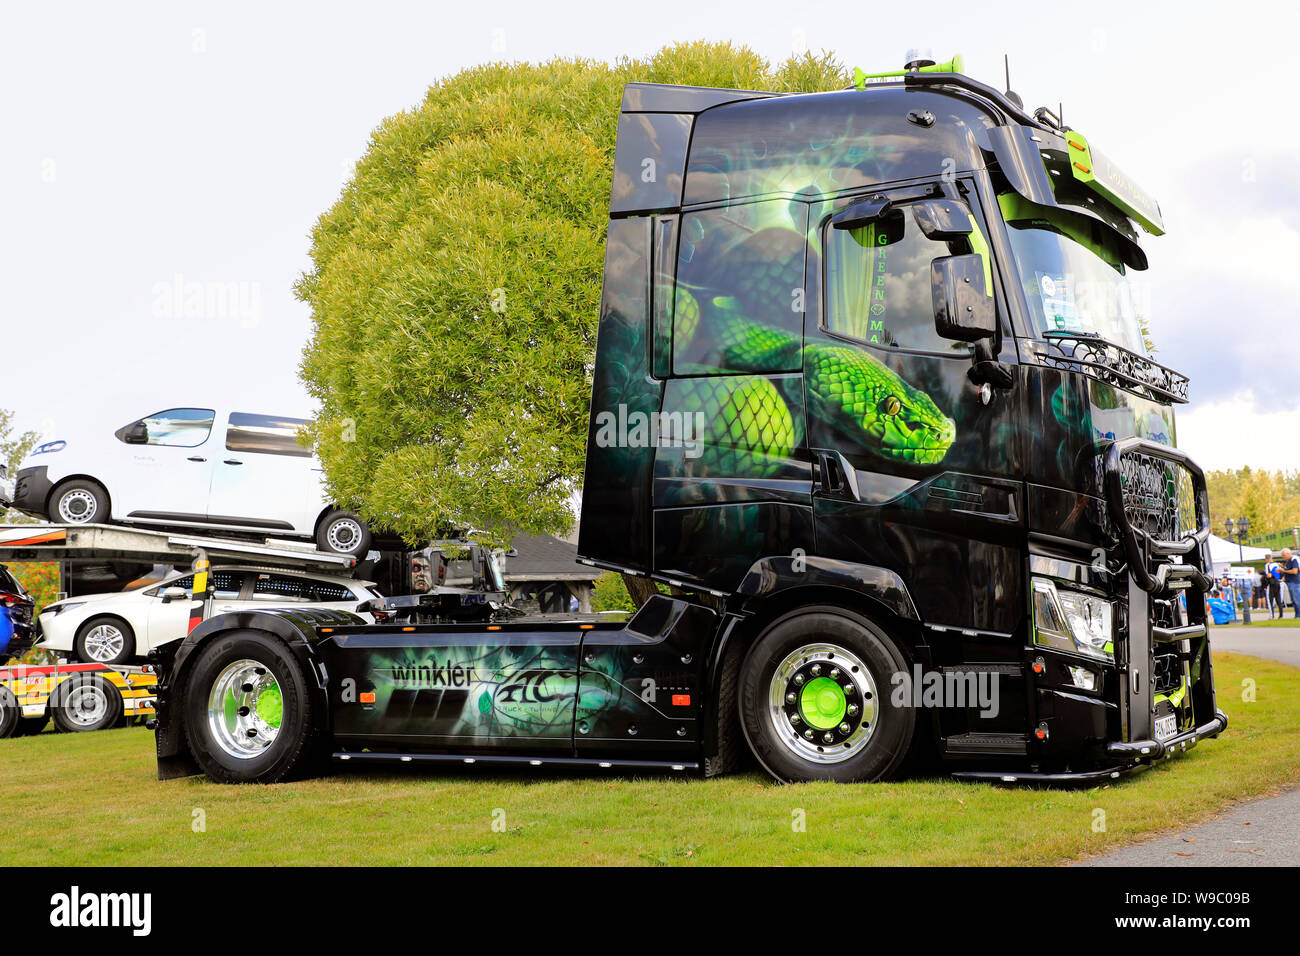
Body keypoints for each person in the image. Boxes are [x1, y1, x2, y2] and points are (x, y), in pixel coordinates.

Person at [1280, 548, 1300, 619]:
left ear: (1288, 553)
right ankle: (1297, 614)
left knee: (1296, 599)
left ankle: (1298, 615)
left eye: (1284, 555)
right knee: (1293, 600)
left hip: (1294, 582)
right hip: (1289, 582)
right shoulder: (1288, 561)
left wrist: (1283, 570)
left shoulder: (1294, 559)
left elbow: (1295, 571)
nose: (1283, 557)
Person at [1265, 553, 1284, 619]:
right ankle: (1281, 615)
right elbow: (1282, 572)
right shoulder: (1277, 564)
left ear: (1267, 559)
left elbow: (1268, 575)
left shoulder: (1267, 565)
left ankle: (1272, 615)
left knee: (1270, 600)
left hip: (1271, 583)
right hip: (1278, 583)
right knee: (1278, 599)